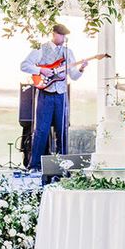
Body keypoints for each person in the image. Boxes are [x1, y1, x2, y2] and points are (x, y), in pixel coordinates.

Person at [20, 23, 88, 173]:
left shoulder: (67, 52)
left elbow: (74, 76)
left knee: (62, 130)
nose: (63, 38)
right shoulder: (41, 48)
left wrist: (82, 68)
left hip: (61, 95)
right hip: (45, 93)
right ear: (53, 34)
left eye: (65, 35)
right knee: (41, 131)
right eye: (60, 35)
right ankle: (35, 165)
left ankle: (62, 166)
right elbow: (24, 65)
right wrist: (41, 70)